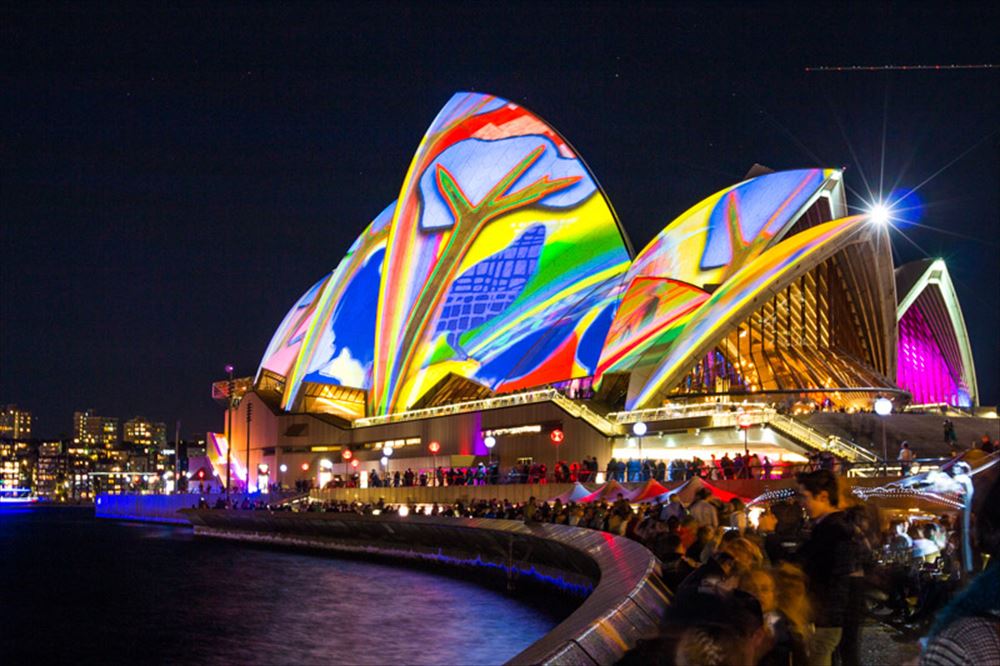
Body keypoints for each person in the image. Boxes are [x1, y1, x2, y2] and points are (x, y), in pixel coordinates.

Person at [795, 469, 858, 666]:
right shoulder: (831, 526)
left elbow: (834, 577)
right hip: (826, 615)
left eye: (805, 497)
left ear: (823, 496)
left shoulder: (833, 529)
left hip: (825, 618)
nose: (801, 503)